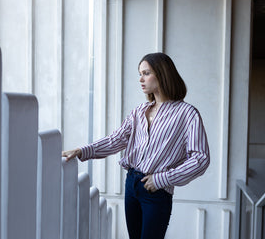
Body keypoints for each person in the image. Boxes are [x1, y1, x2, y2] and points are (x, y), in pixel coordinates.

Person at [62, 52, 210, 239]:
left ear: (163, 73)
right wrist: (83, 150)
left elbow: (200, 158)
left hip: (156, 191)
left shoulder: (187, 114)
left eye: (146, 73)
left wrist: (161, 179)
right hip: (131, 185)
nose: (141, 79)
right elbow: (116, 140)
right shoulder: (139, 111)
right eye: (140, 73)